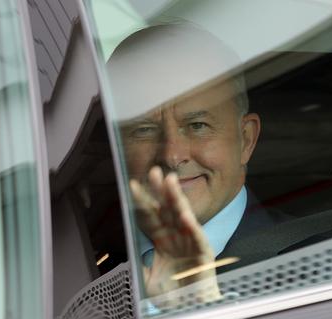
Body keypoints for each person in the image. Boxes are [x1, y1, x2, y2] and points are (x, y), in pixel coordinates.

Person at [106, 24, 261, 303]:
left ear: (246, 140)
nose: (172, 156)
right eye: (143, 129)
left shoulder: (327, 271)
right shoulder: (76, 260)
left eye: (197, 125)